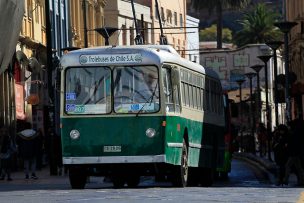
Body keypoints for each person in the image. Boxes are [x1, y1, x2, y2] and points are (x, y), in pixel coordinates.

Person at [283, 118, 304, 186]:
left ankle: (285, 180)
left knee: (288, 166)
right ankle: (301, 180)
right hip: (296, 152)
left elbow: (293, 143)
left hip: (294, 153)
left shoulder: (294, 132)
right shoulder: (297, 131)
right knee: (299, 167)